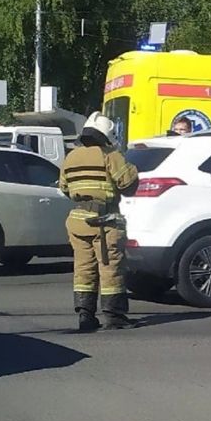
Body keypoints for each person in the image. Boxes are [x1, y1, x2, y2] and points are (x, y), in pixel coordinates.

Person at [59, 112, 139, 332]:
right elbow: (128, 184)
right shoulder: (110, 154)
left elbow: (64, 187)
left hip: (78, 220)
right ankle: (114, 316)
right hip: (104, 222)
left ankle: (85, 315)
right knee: (110, 267)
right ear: (107, 135)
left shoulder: (71, 157)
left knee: (83, 269)